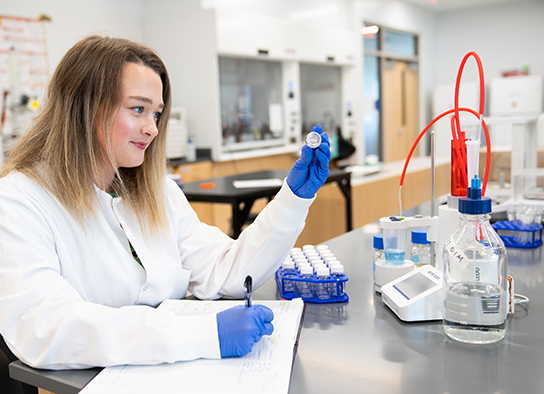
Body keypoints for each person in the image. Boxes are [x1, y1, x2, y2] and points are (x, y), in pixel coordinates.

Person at [0, 35, 331, 370]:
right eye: (138, 109)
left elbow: (226, 272)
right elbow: (45, 327)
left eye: (156, 113)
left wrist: (293, 199)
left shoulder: (156, 192)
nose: (152, 129)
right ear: (86, 107)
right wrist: (200, 335)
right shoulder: (20, 202)